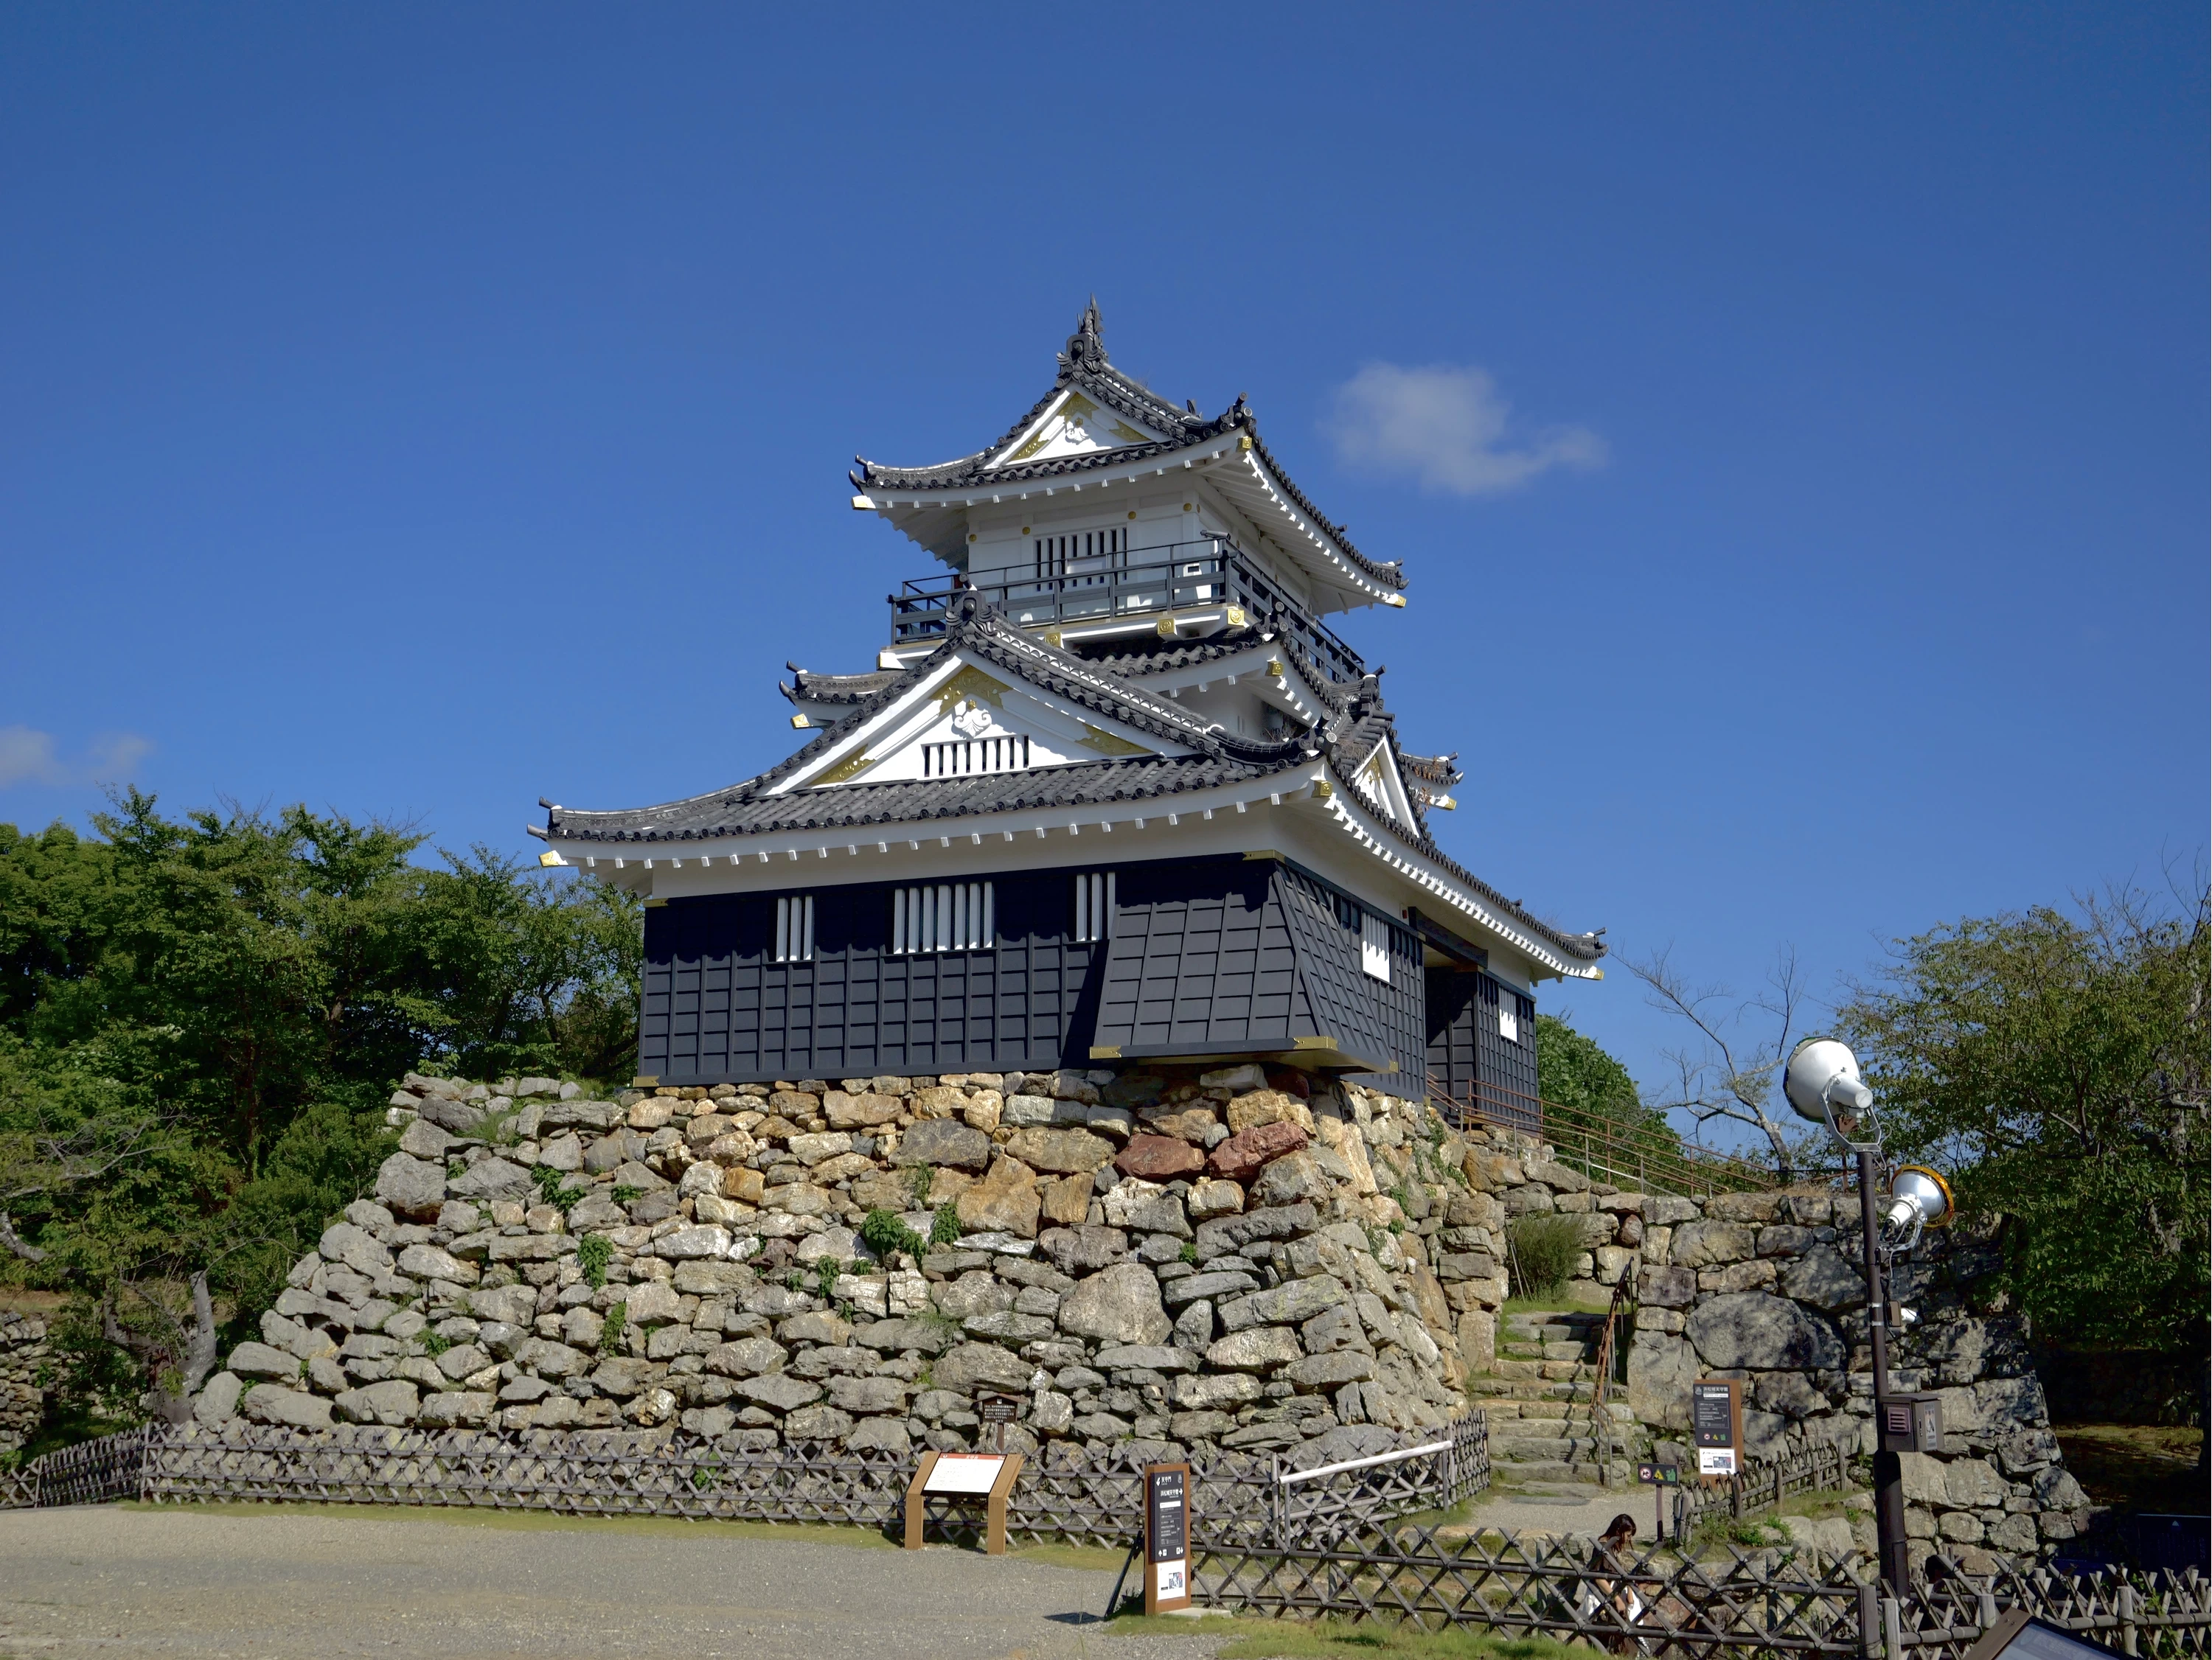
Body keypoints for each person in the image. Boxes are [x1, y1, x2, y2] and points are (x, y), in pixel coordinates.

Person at [1583, 1513, 1647, 1654]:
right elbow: (1599, 1578)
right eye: (1628, 1535)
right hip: (1601, 1594)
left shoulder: (1612, 1548)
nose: (1629, 1539)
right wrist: (1617, 1599)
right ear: (1619, 1531)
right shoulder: (1603, 1547)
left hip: (1613, 1591)